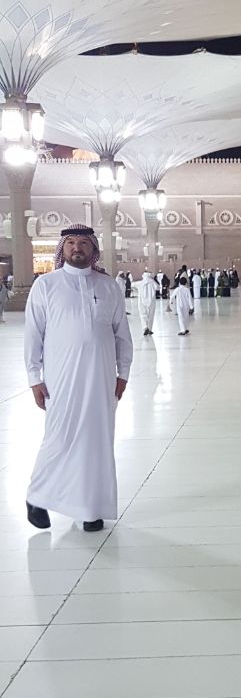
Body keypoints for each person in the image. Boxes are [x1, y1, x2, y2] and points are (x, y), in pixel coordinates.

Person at [24, 224, 133, 532]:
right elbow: (33, 334)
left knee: (96, 441)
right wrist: (34, 378)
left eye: (83, 243)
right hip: (61, 379)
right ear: (63, 249)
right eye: (70, 242)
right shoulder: (46, 285)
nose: (76, 248)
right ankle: (37, 496)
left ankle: (89, 509)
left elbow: (121, 334)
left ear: (93, 249)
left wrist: (123, 373)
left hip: (101, 378)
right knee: (59, 437)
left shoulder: (108, 286)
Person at [133, 269, 160, 336]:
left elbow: (132, 284)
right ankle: (149, 329)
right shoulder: (152, 282)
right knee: (151, 315)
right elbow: (158, 287)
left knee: (143, 315)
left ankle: (145, 327)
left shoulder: (140, 283)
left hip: (142, 302)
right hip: (151, 302)